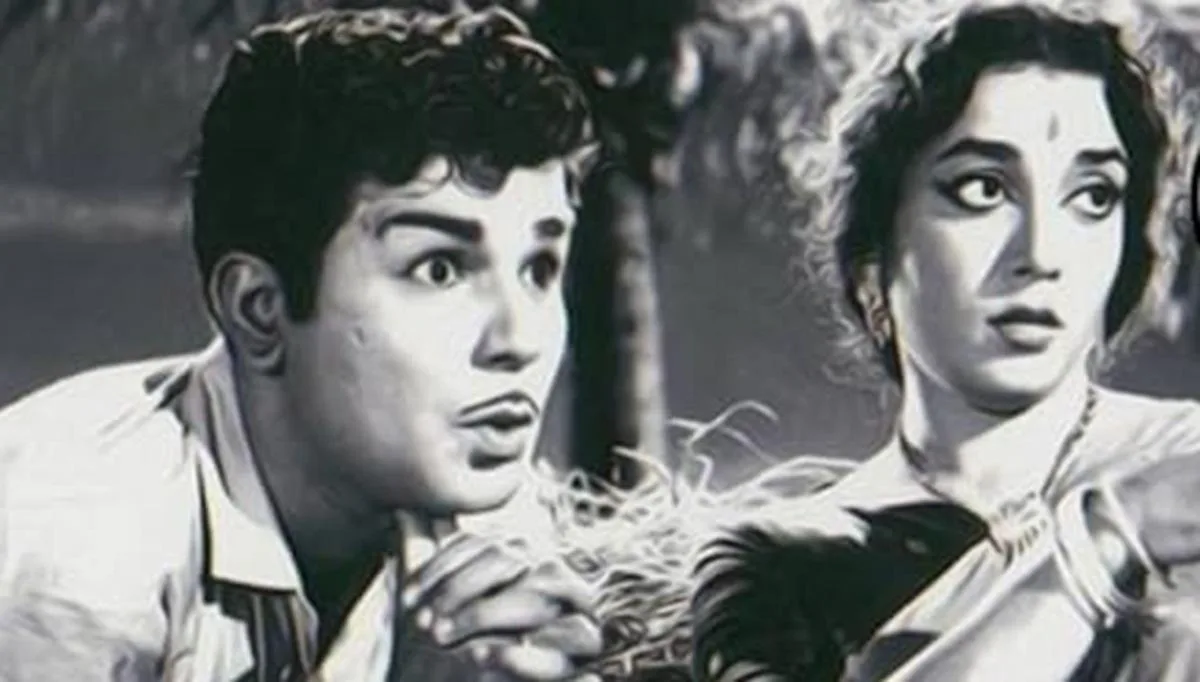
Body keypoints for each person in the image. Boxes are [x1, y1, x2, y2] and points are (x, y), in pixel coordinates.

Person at [0, 5, 606, 681]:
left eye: (540, 268)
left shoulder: (489, 512)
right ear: (259, 312)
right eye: (439, 268)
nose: (520, 340)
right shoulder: (68, 561)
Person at [691, 4, 1200, 681]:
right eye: (982, 189)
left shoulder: (1184, 457)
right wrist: (1105, 538)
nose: (1042, 255)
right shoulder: (779, 563)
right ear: (873, 263)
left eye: (1093, 196)